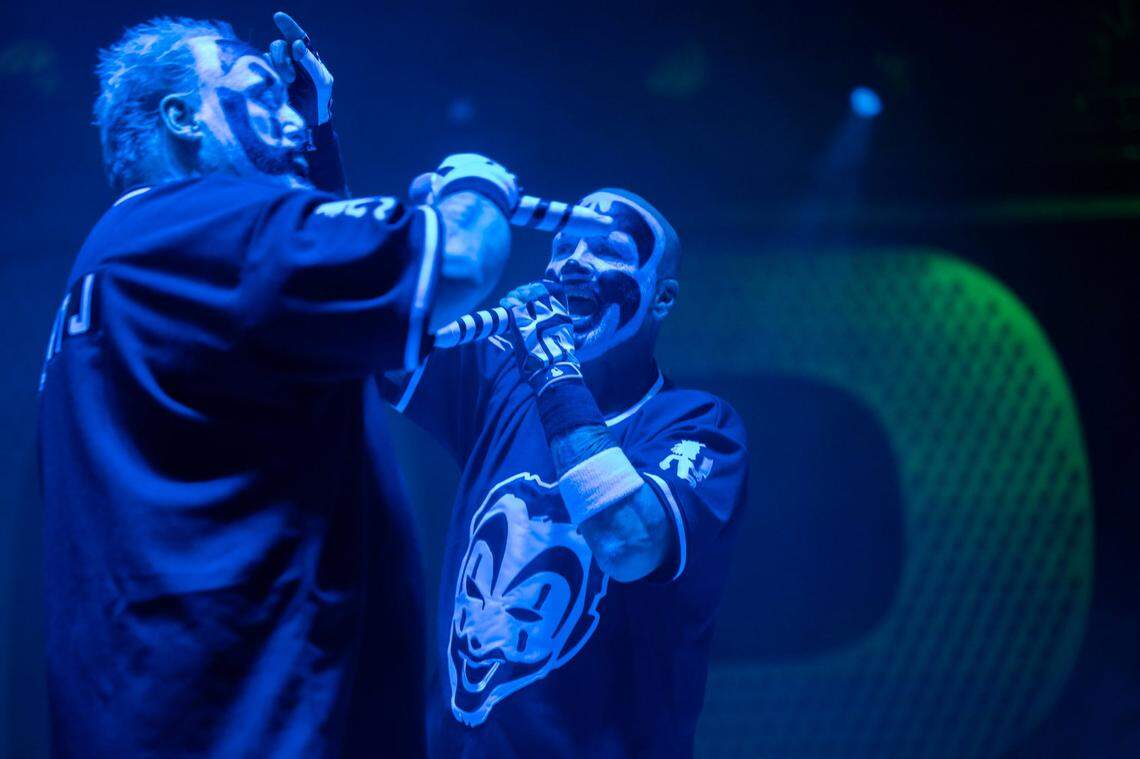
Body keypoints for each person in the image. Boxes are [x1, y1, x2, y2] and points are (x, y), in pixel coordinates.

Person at [37, 14, 517, 756]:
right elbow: (458, 264)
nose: (290, 117)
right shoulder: (210, 225)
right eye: (258, 92)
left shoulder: (121, 262)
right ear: (183, 118)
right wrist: (478, 184)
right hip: (256, 728)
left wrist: (313, 155)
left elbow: (318, 323)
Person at [385, 188, 749, 757]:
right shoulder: (507, 384)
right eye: (563, 248)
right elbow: (366, 325)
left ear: (661, 300)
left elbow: (627, 543)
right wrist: (318, 130)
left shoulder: (699, 425)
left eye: (609, 251)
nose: (573, 263)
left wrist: (554, 370)